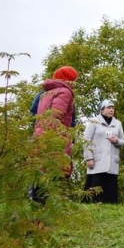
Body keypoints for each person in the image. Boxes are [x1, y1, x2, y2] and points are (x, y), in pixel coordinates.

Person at [29, 66, 79, 203]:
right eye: (74, 80)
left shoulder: (45, 93)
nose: (75, 83)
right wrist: (61, 136)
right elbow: (56, 115)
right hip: (54, 135)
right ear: (67, 79)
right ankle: (44, 205)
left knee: (41, 169)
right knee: (54, 170)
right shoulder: (65, 92)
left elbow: (34, 114)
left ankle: (36, 204)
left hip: (41, 133)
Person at [83, 100, 124, 204]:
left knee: (110, 186)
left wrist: (117, 141)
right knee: (95, 184)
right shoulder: (94, 121)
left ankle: (110, 205)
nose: (111, 110)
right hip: (97, 160)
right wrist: (89, 158)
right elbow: (86, 141)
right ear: (102, 110)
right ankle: (93, 204)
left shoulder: (117, 123)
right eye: (108, 107)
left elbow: (123, 141)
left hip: (112, 161)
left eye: (113, 108)